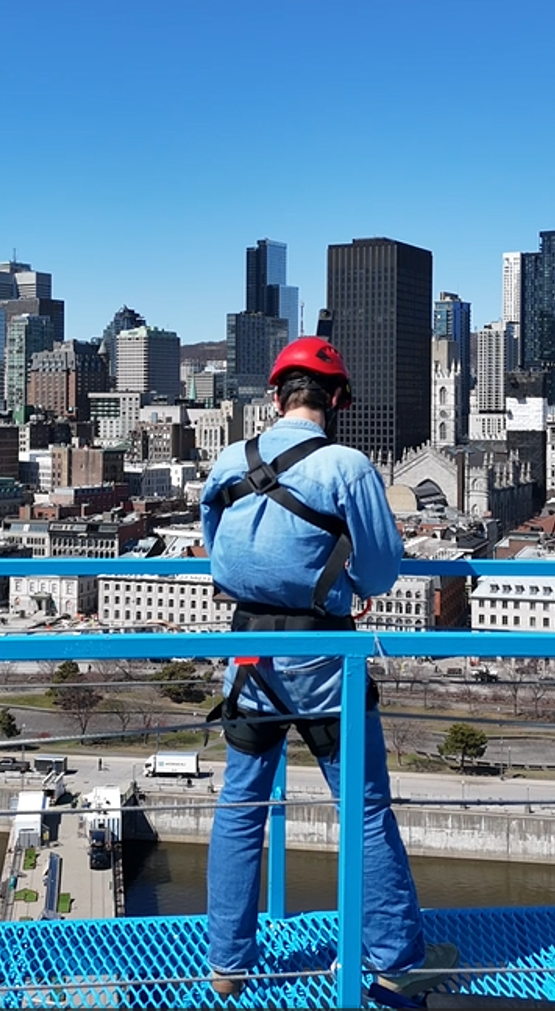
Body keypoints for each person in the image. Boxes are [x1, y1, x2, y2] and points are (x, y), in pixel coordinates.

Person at [201, 337, 458, 1006]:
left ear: (275, 393)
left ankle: (227, 965)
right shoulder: (348, 465)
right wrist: (340, 582)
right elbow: (381, 567)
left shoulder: (231, 459)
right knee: (363, 806)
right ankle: (394, 964)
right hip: (323, 652)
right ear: (337, 399)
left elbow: (217, 550)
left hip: (248, 650)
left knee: (241, 801)